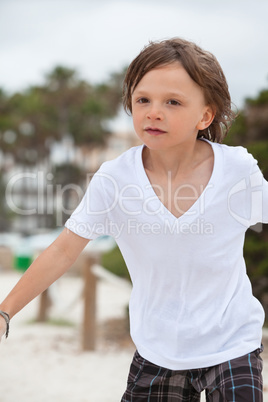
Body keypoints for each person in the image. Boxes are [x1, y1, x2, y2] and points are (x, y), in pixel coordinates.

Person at [0, 37, 267, 401]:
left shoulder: (237, 170)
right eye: (143, 100)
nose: (153, 112)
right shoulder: (114, 180)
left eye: (172, 102)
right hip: (158, 349)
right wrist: (5, 311)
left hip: (232, 343)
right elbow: (64, 250)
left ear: (205, 115)